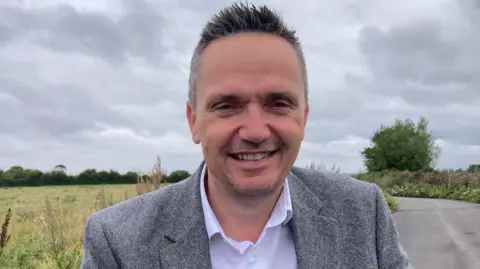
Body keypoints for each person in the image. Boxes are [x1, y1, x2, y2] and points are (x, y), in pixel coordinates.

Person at [80, 2, 413, 269]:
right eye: (227, 106)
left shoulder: (362, 214)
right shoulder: (117, 242)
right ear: (193, 121)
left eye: (279, 103)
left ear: (304, 117)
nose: (255, 131)